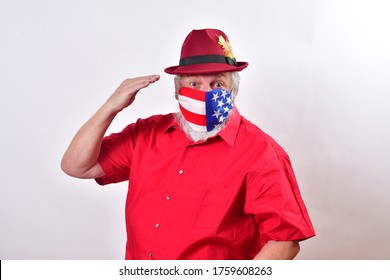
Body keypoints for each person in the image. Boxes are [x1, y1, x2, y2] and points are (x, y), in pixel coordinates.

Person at [61, 28, 315, 260]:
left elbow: (286, 240)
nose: (205, 94)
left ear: (234, 90)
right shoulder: (147, 133)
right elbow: (77, 166)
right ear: (177, 88)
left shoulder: (261, 152)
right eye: (194, 83)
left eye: (217, 84)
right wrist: (110, 107)